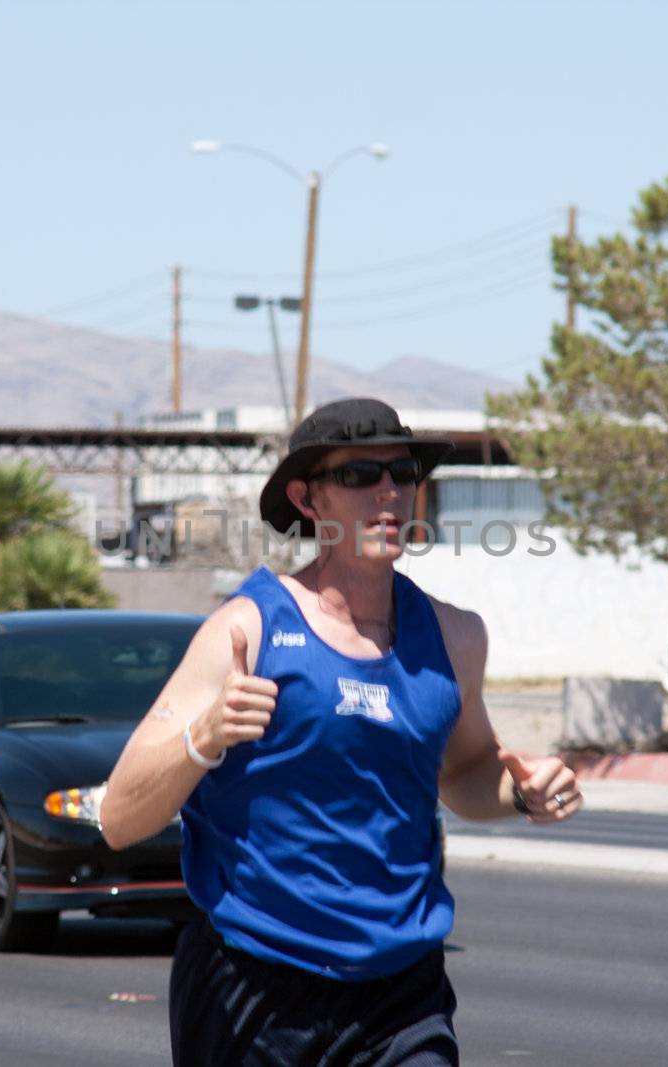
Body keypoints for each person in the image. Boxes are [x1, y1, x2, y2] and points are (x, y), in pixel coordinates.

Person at [101, 397, 582, 1066]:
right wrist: (205, 735)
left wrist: (525, 792)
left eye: (403, 470)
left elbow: (467, 770)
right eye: (359, 474)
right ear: (308, 497)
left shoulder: (454, 635)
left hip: (400, 992)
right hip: (252, 983)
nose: (389, 490)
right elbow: (120, 816)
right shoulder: (247, 629)